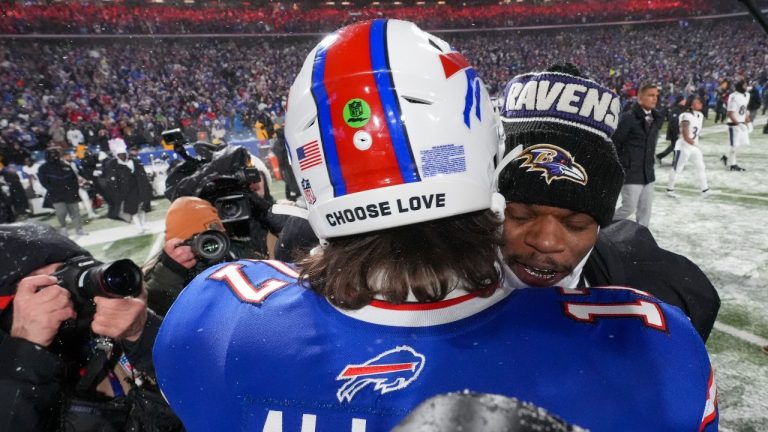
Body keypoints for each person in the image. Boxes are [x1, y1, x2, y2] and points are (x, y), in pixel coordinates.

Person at [154, 20, 717, 432]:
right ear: (487, 159)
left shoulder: (214, 321)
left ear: (308, 172)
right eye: (524, 214)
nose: (547, 239)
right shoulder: (647, 347)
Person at [498, 66, 719, 341]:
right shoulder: (439, 273)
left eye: (576, 224)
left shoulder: (662, 288)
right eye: (520, 216)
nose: (545, 241)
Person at [0, 222, 176, 431]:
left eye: (64, 275)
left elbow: (200, 397)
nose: (60, 295)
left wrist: (143, 332)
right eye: (40, 287)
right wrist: (26, 350)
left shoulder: (106, 336)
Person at [143, 196, 228, 316]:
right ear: (179, 243)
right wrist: (171, 272)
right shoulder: (161, 276)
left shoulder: (234, 253)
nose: (210, 247)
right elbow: (159, 313)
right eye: (200, 241)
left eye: (215, 237)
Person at [612, 82, 663, 227]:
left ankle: (642, 239)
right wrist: (621, 165)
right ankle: (601, 228)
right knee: (628, 208)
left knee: (645, 211)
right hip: (631, 172)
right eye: (650, 95)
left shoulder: (655, 118)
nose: (654, 99)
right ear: (640, 97)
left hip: (648, 172)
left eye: (656, 96)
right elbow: (615, 142)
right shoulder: (628, 118)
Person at [102, 138, 153, 232]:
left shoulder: (134, 162)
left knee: (143, 208)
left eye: (123, 154)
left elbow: (142, 174)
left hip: (139, 188)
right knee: (133, 210)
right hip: (127, 191)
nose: (122, 157)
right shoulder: (114, 166)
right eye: (119, 155)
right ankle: (139, 227)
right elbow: (113, 180)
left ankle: (143, 224)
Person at [666, 95, 710, 197]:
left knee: (701, 167)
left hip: (693, 146)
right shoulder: (685, 116)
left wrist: (695, 144)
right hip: (683, 146)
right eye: (697, 102)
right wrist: (696, 144)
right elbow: (685, 136)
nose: (700, 103)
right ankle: (669, 190)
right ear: (691, 105)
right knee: (677, 168)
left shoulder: (700, 115)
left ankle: (705, 189)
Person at [37, 146, 86, 237]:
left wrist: (74, 190)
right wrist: (53, 190)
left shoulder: (65, 166)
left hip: (70, 193)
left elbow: (74, 179)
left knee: (75, 212)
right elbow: (43, 182)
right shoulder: (43, 168)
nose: (54, 157)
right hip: (56, 194)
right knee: (61, 212)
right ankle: (63, 228)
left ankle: (79, 229)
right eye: (52, 155)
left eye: (55, 155)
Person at [721, 79, 752, 172]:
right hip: (733, 124)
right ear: (739, 86)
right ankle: (732, 164)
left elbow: (744, 111)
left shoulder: (746, 95)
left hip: (740, 122)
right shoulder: (734, 96)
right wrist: (738, 124)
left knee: (738, 144)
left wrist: (748, 122)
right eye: (744, 85)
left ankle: (725, 157)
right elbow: (730, 113)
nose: (746, 87)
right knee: (733, 145)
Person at [655, 95, 685, 165]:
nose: (685, 101)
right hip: (674, 132)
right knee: (675, 146)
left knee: (675, 146)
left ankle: (672, 160)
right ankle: (662, 157)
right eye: (683, 100)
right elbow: (673, 123)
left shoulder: (680, 109)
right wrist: (677, 132)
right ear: (680, 101)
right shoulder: (676, 110)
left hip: (677, 131)